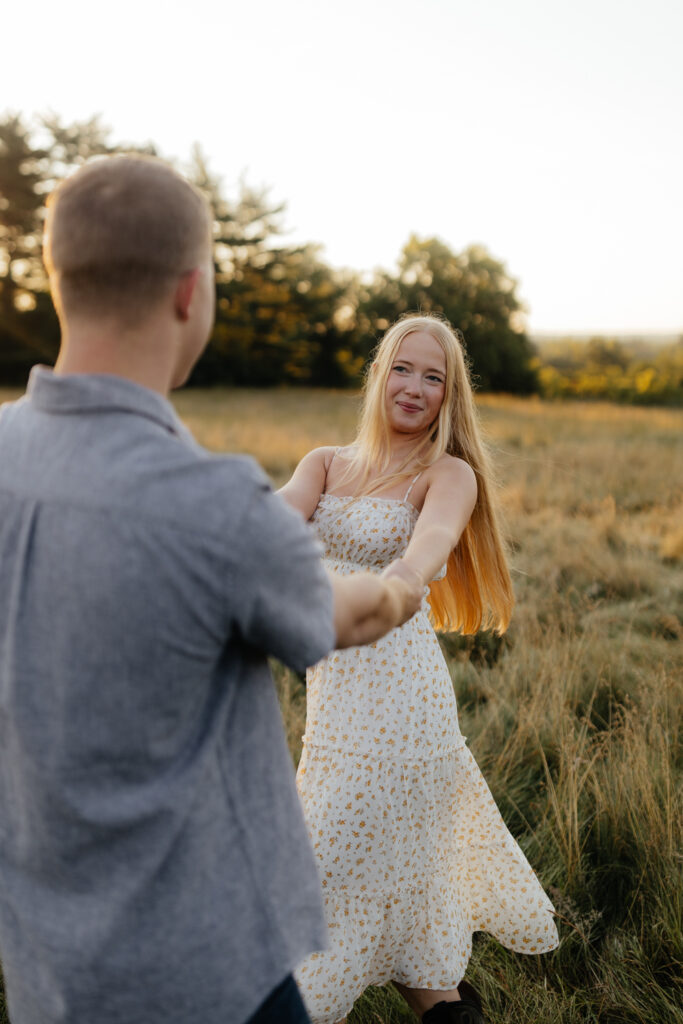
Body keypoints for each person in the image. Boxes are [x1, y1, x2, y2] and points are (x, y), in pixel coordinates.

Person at [0, 155, 422, 1024]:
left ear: (56, 282)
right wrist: (405, 585)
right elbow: (347, 615)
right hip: (208, 970)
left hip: (44, 964)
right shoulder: (215, 506)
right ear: (192, 292)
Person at [279, 313, 559, 1024]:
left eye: (432, 377)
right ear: (378, 374)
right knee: (398, 915)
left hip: (403, 716)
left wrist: (401, 584)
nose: (413, 386)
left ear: (447, 396)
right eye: (402, 368)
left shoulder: (446, 473)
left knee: (314, 897)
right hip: (334, 714)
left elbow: (425, 550)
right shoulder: (324, 463)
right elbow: (267, 526)